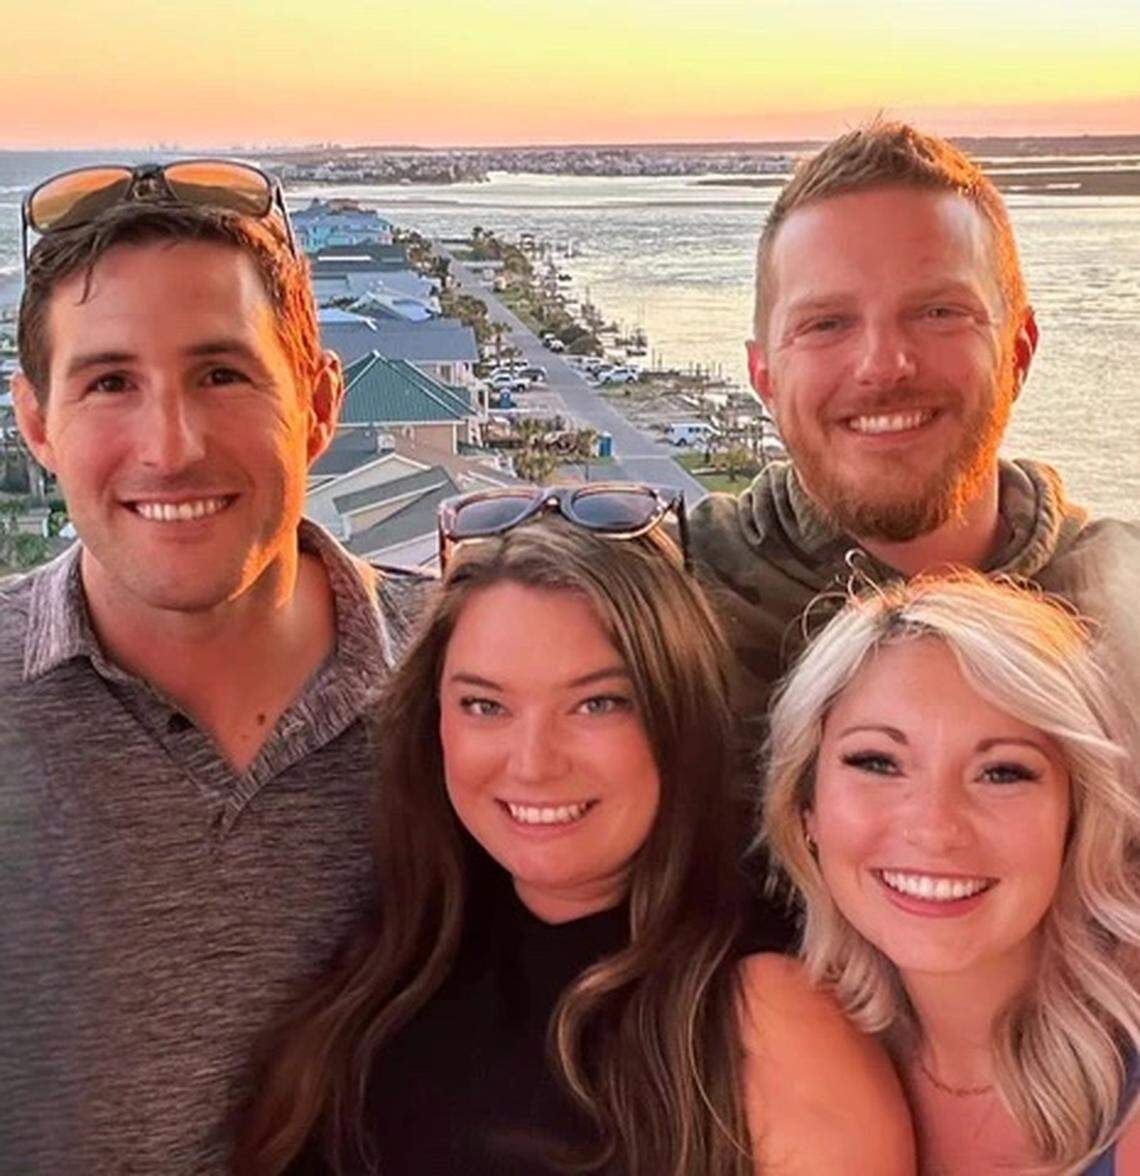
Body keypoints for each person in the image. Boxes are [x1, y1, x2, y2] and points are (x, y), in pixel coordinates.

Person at [234, 486, 915, 1176]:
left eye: (597, 704)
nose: (533, 763)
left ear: (677, 716)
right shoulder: (392, 963)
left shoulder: (771, 1024)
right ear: (432, 724)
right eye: (485, 705)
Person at [0, 163, 426, 1172]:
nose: (172, 445)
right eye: (110, 383)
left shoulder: (475, 704)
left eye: (222, 374)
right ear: (38, 425)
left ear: (319, 402)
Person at [689, 120, 1140, 750]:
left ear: (1019, 352)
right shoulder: (671, 602)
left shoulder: (1124, 608)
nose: (883, 364)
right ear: (763, 375)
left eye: (938, 312)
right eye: (826, 323)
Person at [763, 573, 1140, 1175]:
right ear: (806, 808)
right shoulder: (779, 1042)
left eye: (1002, 772)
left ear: (1078, 815)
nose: (935, 828)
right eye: (877, 763)